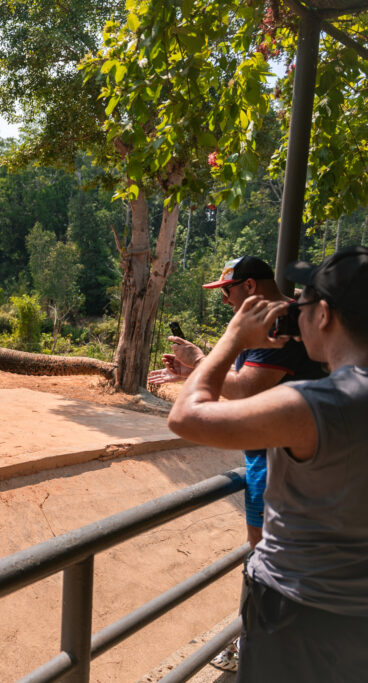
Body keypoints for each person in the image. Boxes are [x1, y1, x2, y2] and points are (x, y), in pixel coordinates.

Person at [167, 246, 368, 682]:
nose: (295, 310)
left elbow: (185, 417)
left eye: (306, 302)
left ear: (325, 316)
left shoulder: (316, 404)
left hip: (299, 611)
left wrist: (232, 338)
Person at [149, 255, 324, 671]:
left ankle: (259, 645)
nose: (224, 301)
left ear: (248, 287)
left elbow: (243, 391)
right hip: (285, 459)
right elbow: (247, 380)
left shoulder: (276, 326)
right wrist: (195, 372)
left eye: (226, 291)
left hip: (275, 462)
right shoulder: (287, 320)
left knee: (265, 561)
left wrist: (201, 362)